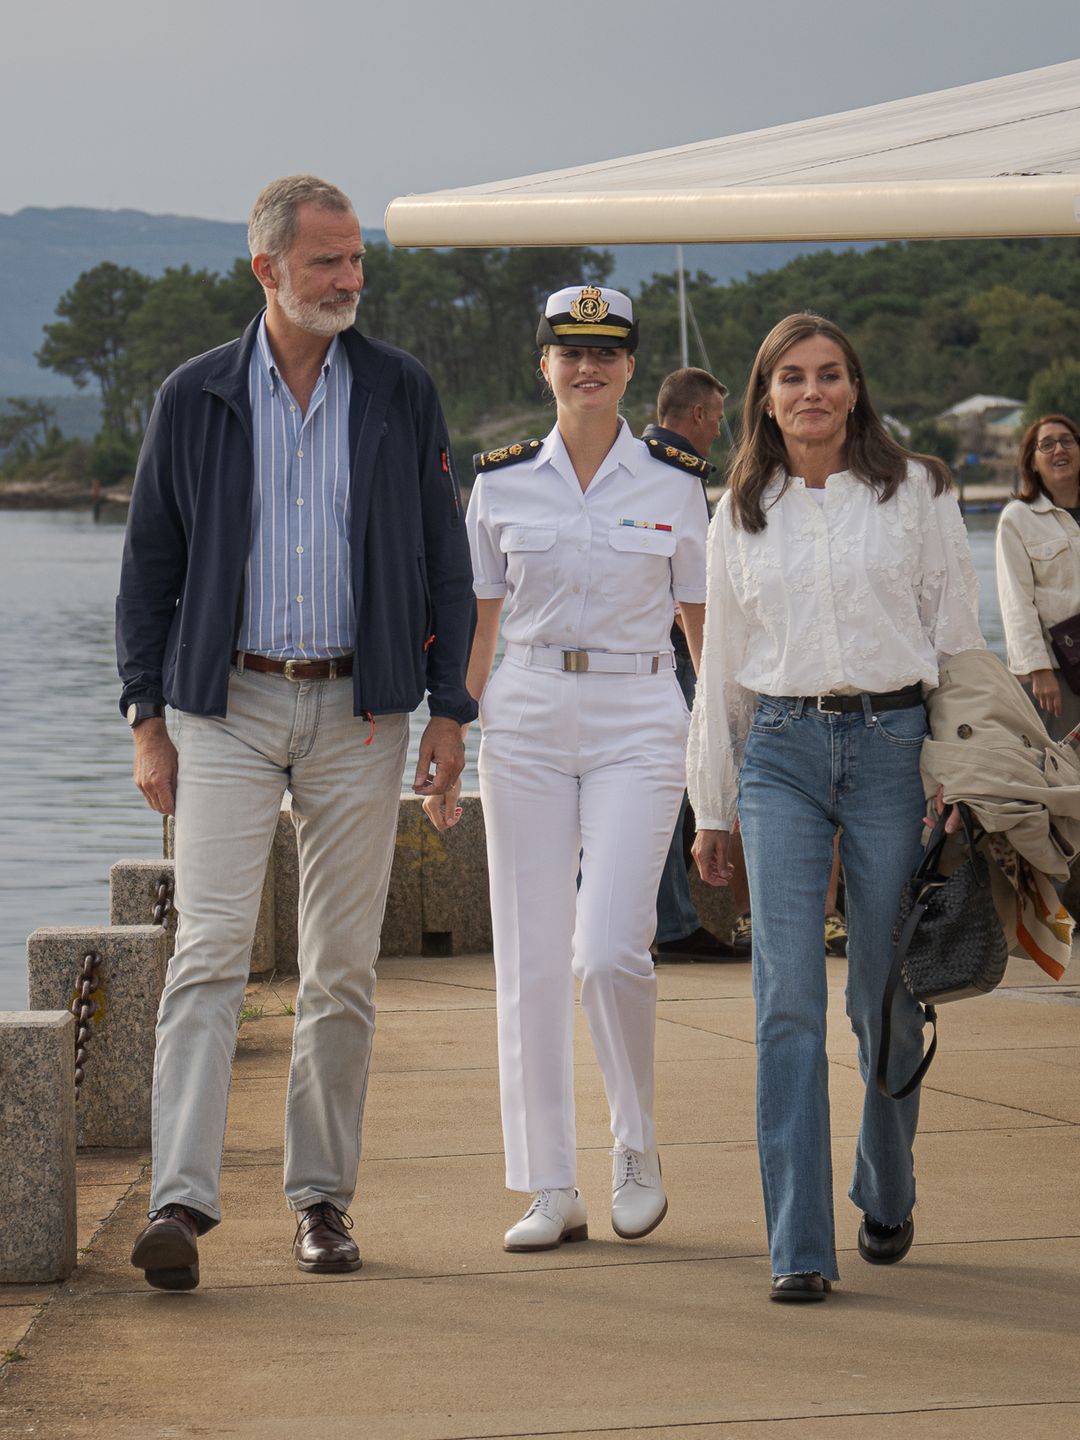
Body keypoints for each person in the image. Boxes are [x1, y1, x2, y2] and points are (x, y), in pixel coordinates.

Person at [117, 175, 476, 1291]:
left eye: (357, 259)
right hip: (220, 706)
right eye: (327, 261)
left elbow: (441, 560)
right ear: (267, 268)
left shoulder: (400, 392)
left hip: (362, 709)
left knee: (342, 969)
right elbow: (150, 572)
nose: (350, 280)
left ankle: (322, 1202)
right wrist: (145, 718)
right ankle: (180, 1201)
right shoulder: (196, 397)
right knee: (211, 955)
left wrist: (451, 707)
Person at [688, 313, 983, 1302]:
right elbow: (721, 668)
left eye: (829, 375)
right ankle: (799, 1247)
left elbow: (956, 643)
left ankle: (887, 1185)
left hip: (897, 754)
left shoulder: (919, 493)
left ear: (856, 390)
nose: (811, 393)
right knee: (787, 1005)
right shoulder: (738, 511)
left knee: (885, 998)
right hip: (778, 754)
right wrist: (711, 806)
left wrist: (958, 772)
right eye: (790, 379)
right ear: (765, 397)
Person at [424, 286, 708, 1250]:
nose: (587, 367)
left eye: (607, 352)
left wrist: (722, 755)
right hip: (531, 712)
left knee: (608, 951)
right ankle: (550, 1183)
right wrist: (450, 729)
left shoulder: (673, 479)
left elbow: (700, 627)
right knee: (533, 956)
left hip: (639, 710)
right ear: (541, 365)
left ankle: (634, 1146)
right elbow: (478, 621)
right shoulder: (501, 481)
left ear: (631, 366)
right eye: (568, 352)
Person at [641, 369, 748, 962]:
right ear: (699, 416)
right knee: (668, 790)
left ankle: (668, 922)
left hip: (655, 652)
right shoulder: (672, 470)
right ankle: (671, 924)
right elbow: (684, 586)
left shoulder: (638, 461)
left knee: (669, 791)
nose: (718, 429)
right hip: (671, 656)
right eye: (717, 416)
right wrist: (710, 672)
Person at [996, 413, 1080, 744]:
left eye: (1067, 441)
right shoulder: (1018, 519)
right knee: (1062, 772)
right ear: (1032, 462)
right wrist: (1038, 670)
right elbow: (1015, 601)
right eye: (1047, 445)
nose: (1059, 449)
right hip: (1056, 673)